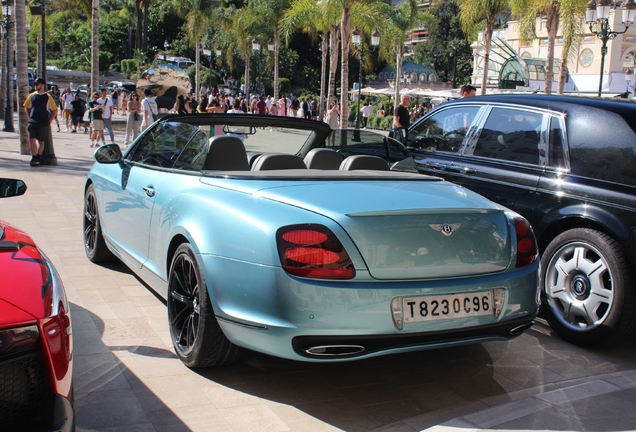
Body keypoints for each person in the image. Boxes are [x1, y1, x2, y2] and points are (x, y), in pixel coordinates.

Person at [24, 78, 58, 167]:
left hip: (43, 122)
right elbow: (27, 107)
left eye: (37, 84)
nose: (35, 85)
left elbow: (54, 110)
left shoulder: (48, 97)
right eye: (34, 84)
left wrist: (49, 121)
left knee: (41, 141)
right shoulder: (31, 96)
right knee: (32, 139)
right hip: (32, 121)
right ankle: (34, 156)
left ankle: (38, 157)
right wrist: (30, 117)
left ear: (42, 85)